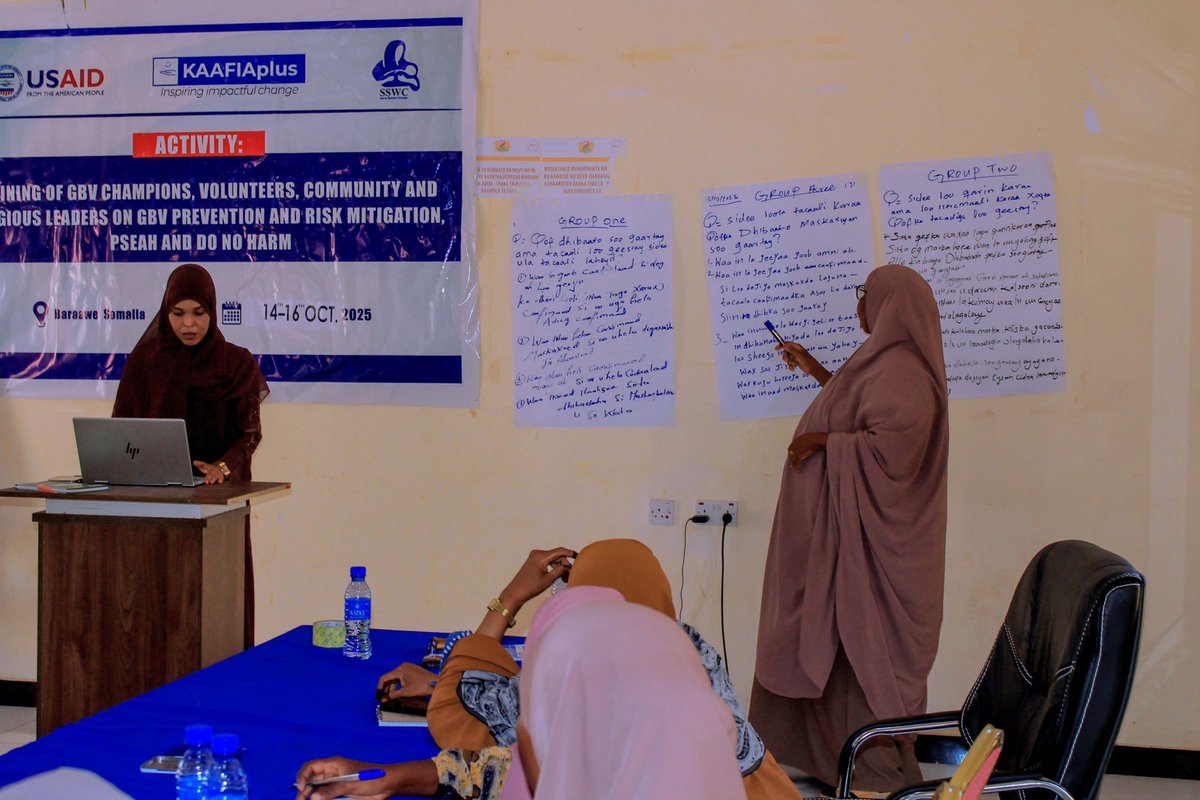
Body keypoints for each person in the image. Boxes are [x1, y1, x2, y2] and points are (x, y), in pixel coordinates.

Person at [294, 540, 800, 799]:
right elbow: (500, 768)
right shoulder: (698, 710)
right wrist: (387, 778)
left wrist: (512, 595)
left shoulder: (580, 691)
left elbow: (481, 730)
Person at [749, 264, 949, 793]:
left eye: (864, 295)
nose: (858, 305)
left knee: (863, 653)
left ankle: (874, 775)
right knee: (831, 648)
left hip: (875, 556)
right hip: (844, 545)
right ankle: (834, 761)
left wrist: (820, 444)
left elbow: (894, 450)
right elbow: (857, 411)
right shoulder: (880, 363)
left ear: (889, 303)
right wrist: (816, 370)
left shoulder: (903, 370)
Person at [113, 263, 269, 647]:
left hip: (217, 502)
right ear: (165, 313)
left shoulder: (235, 362)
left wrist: (222, 467)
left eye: (198, 313)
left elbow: (248, 434)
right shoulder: (145, 362)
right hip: (155, 503)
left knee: (215, 599)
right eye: (178, 313)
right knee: (154, 601)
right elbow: (122, 431)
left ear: (212, 311)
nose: (188, 324)